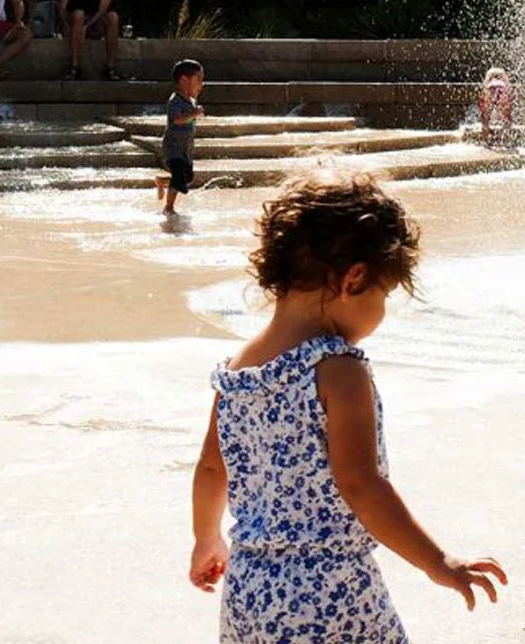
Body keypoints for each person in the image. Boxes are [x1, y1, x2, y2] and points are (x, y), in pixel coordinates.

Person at [188, 170, 508, 643]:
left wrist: (206, 540)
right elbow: (361, 485)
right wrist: (437, 562)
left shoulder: (236, 372)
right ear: (353, 279)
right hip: (328, 593)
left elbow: (212, 469)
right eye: (383, 295)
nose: (380, 312)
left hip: (248, 595)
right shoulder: (338, 368)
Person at [155, 59, 205, 215]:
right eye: (198, 79)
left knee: (187, 178)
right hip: (174, 147)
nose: (201, 84)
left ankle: (162, 181)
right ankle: (168, 208)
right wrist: (194, 113)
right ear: (184, 80)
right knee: (178, 178)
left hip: (186, 148)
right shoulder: (175, 100)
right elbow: (177, 119)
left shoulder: (191, 100)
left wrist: (195, 109)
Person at [477, 67, 514, 149]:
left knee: (485, 117)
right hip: (502, 91)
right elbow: (509, 87)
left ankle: (485, 141)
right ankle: (504, 141)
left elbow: (485, 85)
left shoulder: (489, 77)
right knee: (506, 118)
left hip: (489, 90)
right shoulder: (503, 78)